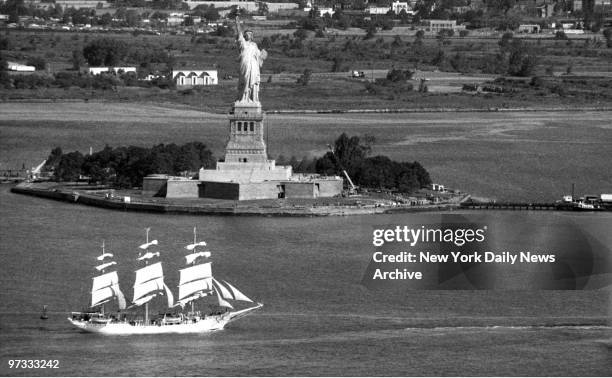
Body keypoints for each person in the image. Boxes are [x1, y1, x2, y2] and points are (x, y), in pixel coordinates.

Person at [234, 16, 267, 103]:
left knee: (253, 81)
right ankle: (242, 98)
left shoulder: (254, 45)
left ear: (252, 36)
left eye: (250, 34)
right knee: (244, 79)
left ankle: (251, 99)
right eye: (247, 34)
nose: (248, 35)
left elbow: (259, 56)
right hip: (245, 64)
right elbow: (239, 35)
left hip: (253, 65)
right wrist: (238, 25)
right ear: (245, 35)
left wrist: (263, 55)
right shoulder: (243, 43)